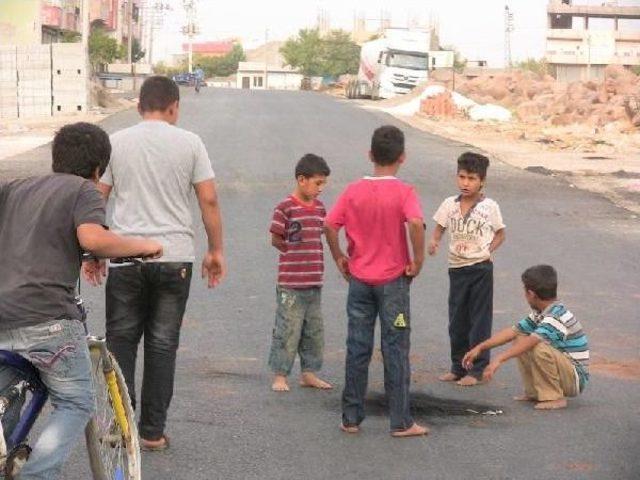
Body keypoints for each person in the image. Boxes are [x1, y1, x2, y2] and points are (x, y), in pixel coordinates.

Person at [0, 122, 162, 479]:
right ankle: (38, 474)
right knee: (75, 399)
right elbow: (93, 236)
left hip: (3, 318)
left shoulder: (15, 189)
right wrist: (144, 245)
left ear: (57, 158)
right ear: (98, 169)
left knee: (7, 393)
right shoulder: (83, 190)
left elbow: (46, 237)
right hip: (48, 319)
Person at [84, 75, 225, 451]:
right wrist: (216, 250)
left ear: (138, 106)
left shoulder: (116, 142)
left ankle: (119, 426)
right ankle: (151, 432)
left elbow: (98, 197)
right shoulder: (191, 142)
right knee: (163, 346)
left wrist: (95, 251)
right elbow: (208, 200)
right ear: (174, 107)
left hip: (125, 257)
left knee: (121, 344)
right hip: (173, 258)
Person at [325, 125, 428, 437]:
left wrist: (339, 256)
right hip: (393, 283)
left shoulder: (353, 190)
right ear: (402, 157)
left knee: (357, 346)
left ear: (370, 155)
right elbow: (415, 223)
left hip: (359, 281)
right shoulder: (404, 192)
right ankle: (401, 421)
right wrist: (417, 259)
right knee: (395, 346)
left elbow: (330, 224)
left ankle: (351, 417)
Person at [462, 265, 589, 410]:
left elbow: (532, 341)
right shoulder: (541, 312)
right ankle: (535, 392)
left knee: (538, 347)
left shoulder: (556, 316)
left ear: (531, 293)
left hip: (575, 379)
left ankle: (554, 397)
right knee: (520, 338)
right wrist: (480, 347)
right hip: (564, 370)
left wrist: (499, 359)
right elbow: (513, 331)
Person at [428, 152, 506, 386]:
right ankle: (457, 367)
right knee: (457, 320)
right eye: (462, 177)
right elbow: (439, 228)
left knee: (479, 320)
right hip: (457, 269)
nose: (465, 183)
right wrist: (435, 241)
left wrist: (487, 251)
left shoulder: (489, 207)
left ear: (482, 181)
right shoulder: (449, 205)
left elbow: (501, 234)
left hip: (481, 269)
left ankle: (477, 370)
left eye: (471, 178)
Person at [268, 154, 333, 393]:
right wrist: (292, 254)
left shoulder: (319, 209)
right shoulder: (285, 207)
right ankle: (280, 374)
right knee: (287, 329)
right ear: (302, 179)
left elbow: (323, 235)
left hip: (314, 281)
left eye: (323, 183)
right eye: (317, 183)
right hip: (291, 283)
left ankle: (309, 372)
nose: (320, 189)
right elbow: (276, 237)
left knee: (313, 331)